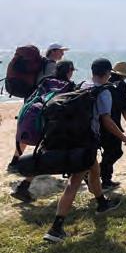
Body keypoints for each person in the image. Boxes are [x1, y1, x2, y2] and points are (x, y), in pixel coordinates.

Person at [43, 58, 126, 243]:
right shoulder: (104, 92)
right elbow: (106, 120)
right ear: (108, 73)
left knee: (95, 171)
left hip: (73, 137)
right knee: (74, 182)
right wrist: (123, 137)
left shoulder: (83, 84)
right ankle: (56, 228)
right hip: (85, 141)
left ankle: (102, 203)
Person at [10, 60, 77, 203]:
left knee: (42, 153)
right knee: (61, 153)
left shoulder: (46, 81)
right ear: (68, 71)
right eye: (72, 70)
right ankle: (23, 187)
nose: (72, 73)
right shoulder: (69, 86)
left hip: (39, 122)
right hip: (53, 126)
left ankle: (23, 186)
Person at [7, 43, 69, 174]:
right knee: (44, 133)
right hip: (41, 103)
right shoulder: (51, 65)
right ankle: (35, 163)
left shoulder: (42, 64)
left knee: (26, 131)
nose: (62, 54)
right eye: (60, 51)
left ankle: (14, 161)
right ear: (53, 51)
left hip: (32, 100)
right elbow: (48, 85)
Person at [100, 62, 126, 190]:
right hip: (113, 123)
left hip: (99, 123)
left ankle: (105, 179)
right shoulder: (121, 86)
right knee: (115, 152)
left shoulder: (104, 83)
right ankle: (100, 174)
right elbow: (124, 108)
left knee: (108, 152)